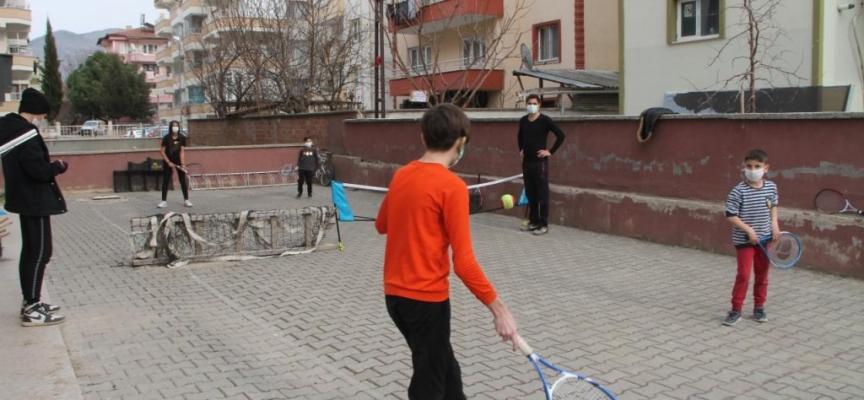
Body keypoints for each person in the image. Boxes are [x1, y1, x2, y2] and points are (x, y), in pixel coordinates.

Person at [376, 103, 519, 400]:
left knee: (445, 369)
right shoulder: (452, 187)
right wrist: (500, 311)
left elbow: (382, 225)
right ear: (461, 142)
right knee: (429, 384)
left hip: (396, 299)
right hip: (427, 302)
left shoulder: (402, 175)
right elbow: (464, 263)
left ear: (423, 139)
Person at [0, 88, 68, 326]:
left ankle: (31, 301)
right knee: (40, 252)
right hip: (35, 200)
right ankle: (32, 307)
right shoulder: (26, 133)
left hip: (24, 199)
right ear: (38, 111)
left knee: (30, 252)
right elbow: (37, 170)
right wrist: (58, 166)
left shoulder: (10, 131)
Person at [723, 149, 780, 326]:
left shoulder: (771, 187)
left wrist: (775, 224)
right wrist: (748, 230)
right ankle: (736, 310)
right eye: (749, 166)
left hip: (765, 240)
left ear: (766, 168)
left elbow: (773, 207)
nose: (752, 169)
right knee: (744, 275)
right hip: (744, 242)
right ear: (744, 167)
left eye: (757, 166)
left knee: (762, 275)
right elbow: (731, 215)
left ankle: (759, 307)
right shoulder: (738, 191)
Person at [517, 94, 565, 235]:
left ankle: (543, 224)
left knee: (542, 194)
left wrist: (550, 151)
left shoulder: (545, 120)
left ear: (539, 105)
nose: (531, 105)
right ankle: (533, 221)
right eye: (529, 103)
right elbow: (519, 136)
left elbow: (561, 135)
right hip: (527, 162)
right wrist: (521, 149)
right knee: (530, 193)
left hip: (540, 163)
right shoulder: (523, 121)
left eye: (534, 103)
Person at [157, 120, 192, 208]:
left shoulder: (182, 138)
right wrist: (168, 162)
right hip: (168, 162)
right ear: (170, 127)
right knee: (166, 181)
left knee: (182, 180)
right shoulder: (166, 138)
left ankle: (186, 200)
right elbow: (162, 151)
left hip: (178, 162)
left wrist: (182, 164)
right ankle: (164, 201)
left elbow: (182, 152)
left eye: (176, 125)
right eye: (173, 125)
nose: (175, 127)